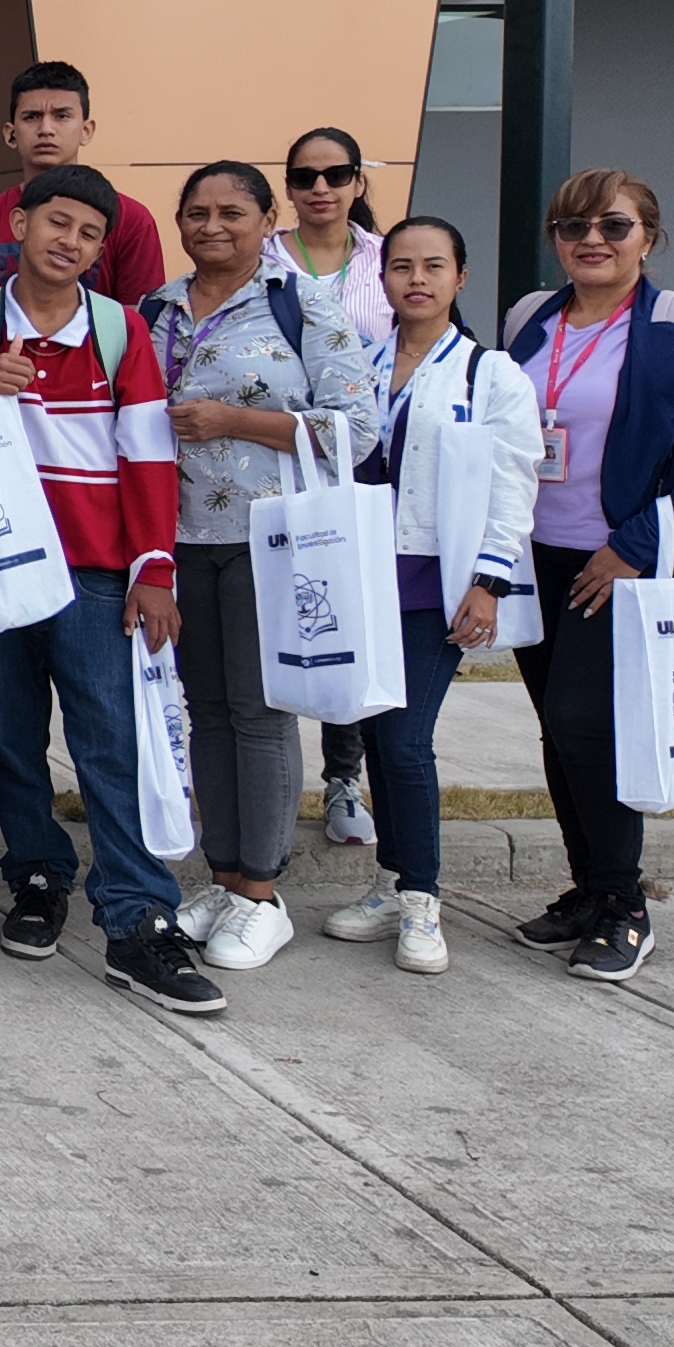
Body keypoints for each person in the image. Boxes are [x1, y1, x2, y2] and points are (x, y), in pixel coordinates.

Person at [0, 168, 215, 1015]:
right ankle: (36, 875)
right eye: (56, 223)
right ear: (19, 226)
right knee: (5, 739)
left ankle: (138, 918)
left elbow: (147, 454)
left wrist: (154, 567)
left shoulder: (118, 329)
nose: (69, 242)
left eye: (89, 234)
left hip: (94, 576)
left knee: (110, 744)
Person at [498, 168, 674, 984]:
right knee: (560, 729)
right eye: (572, 227)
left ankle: (624, 906)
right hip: (537, 554)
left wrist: (636, 544)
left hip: (628, 558)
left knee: (586, 725)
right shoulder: (530, 319)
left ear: (648, 236)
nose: (592, 241)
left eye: (613, 226)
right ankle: (589, 889)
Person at [140, 162, 382, 976]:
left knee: (259, 710)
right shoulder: (156, 310)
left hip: (271, 538)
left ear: (266, 219)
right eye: (196, 213)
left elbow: (356, 430)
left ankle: (263, 892)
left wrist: (234, 420)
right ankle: (223, 877)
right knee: (205, 710)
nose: (212, 227)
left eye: (232, 213)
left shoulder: (301, 305)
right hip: (181, 539)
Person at [323, 214, 540, 977]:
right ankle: (391, 884)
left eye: (433, 266)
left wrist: (489, 581)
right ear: (381, 280)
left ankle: (422, 897)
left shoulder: (490, 374)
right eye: (401, 266)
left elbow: (513, 486)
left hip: (435, 582)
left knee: (407, 739)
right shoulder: (359, 364)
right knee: (378, 734)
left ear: (460, 277)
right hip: (363, 573)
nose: (416, 279)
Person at [264, 126, 395, 851]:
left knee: (346, 613)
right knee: (278, 615)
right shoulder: (261, 258)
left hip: (360, 460)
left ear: (357, 183)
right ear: (287, 186)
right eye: (305, 176)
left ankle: (344, 777)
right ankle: (267, 778)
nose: (320, 188)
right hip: (273, 459)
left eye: (336, 175)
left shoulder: (387, 259)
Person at [0, 63, 168, 308]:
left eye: (62, 116)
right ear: (11, 134)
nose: (46, 129)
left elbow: (137, 319)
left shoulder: (132, 220)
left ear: (86, 130)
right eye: (32, 117)